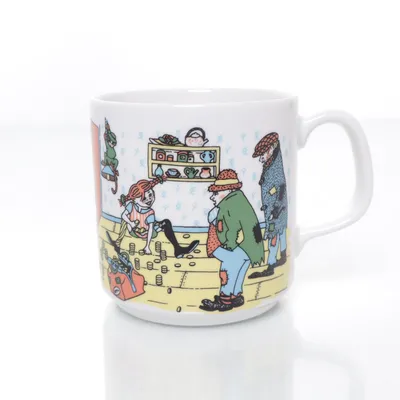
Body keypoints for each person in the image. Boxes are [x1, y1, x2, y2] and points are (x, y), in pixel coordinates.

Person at [200, 169, 264, 312]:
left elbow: (233, 228)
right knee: (238, 270)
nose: (213, 197)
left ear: (228, 191)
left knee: (228, 267)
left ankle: (225, 299)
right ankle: (236, 296)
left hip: (241, 245)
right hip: (251, 247)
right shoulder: (238, 200)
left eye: (216, 193)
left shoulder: (229, 205)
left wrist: (229, 246)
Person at [106, 176, 199, 258]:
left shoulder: (148, 212)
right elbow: (124, 215)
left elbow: (150, 229)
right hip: (137, 231)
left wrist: (147, 246)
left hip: (144, 232)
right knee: (125, 217)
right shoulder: (135, 207)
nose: (150, 199)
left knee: (164, 223)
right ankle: (118, 242)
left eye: (151, 195)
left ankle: (178, 250)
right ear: (135, 199)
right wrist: (131, 223)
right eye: (144, 199)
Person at [249, 132, 288, 279]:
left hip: (275, 209)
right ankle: (283, 255)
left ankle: (270, 265)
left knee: (273, 234)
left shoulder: (274, 168)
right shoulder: (273, 164)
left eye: (262, 154)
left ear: (271, 149)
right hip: (276, 208)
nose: (260, 158)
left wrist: (275, 208)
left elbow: (280, 188)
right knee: (281, 230)